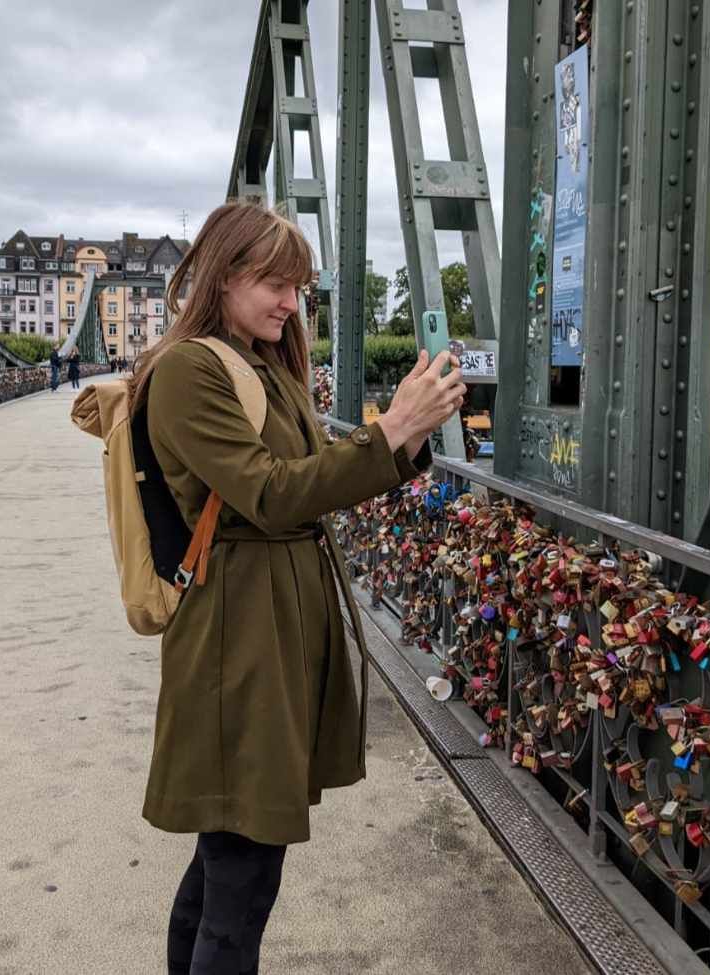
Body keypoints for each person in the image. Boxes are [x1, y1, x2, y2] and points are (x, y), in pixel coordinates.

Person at [129, 202, 465, 974]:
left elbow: (310, 474)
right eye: (275, 283)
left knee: (225, 865)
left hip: (269, 625)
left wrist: (403, 436)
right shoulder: (189, 370)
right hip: (237, 635)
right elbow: (273, 493)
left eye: (299, 287)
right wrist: (386, 434)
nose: (291, 302)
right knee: (241, 877)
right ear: (223, 276)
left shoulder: (257, 363)